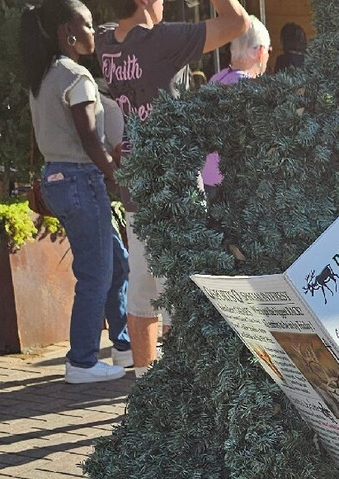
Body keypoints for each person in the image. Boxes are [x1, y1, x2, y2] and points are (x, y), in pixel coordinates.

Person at [97, 0, 249, 378]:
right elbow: (237, 22)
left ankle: (145, 387)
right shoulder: (161, 41)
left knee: (143, 292)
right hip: (175, 185)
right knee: (185, 293)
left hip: (137, 182)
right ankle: (186, 389)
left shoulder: (106, 42)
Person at [20, 0, 129, 384]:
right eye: (87, 24)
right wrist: (118, 176)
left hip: (59, 179)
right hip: (81, 180)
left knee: (115, 262)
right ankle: (82, 361)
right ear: (68, 31)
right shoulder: (74, 75)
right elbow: (91, 142)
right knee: (96, 273)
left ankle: (123, 345)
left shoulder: (45, 75)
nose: (92, 32)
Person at [202, 16, 271, 201]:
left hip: (207, 177)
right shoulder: (248, 88)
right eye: (268, 50)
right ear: (260, 52)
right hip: (233, 184)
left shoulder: (217, 78)